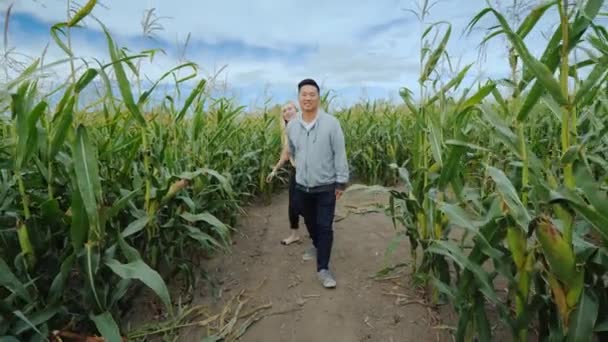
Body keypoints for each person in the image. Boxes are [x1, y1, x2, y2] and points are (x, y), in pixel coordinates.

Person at [285, 78, 349, 289]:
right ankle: (316, 243)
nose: (308, 98)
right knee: (309, 220)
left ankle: (323, 268)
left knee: (324, 225)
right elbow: (293, 151)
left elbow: (339, 153)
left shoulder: (331, 123)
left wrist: (341, 182)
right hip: (302, 185)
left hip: (325, 186)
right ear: (299, 97)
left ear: (318, 97)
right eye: (304, 94)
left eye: (312, 94)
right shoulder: (292, 126)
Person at [266, 101, 303, 246]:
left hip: (309, 171)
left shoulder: (305, 126)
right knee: (293, 205)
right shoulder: (287, 132)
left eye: (290, 108)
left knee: (310, 204)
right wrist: (274, 170)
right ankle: (294, 235)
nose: (287, 111)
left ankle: (318, 235)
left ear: (296, 110)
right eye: (284, 110)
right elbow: (286, 155)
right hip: (296, 171)